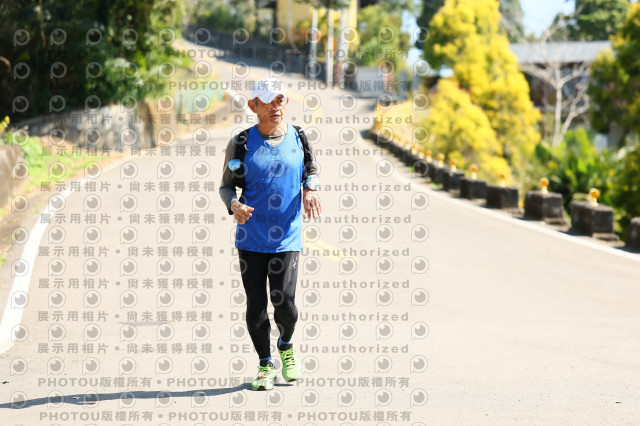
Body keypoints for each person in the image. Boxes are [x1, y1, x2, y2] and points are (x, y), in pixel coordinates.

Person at [219, 77, 321, 390]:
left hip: (287, 237)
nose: (275, 107)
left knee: (285, 303)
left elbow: (310, 170)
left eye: (280, 100)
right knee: (256, 305)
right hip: (251, 238)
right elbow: (226, 186)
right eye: (268, 101)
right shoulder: (241, 143)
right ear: (254, 106)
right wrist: (233, 204)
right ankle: (265, 364)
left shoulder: (298, 137)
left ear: (285, 103)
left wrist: (310, 190)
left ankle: (286, 344)